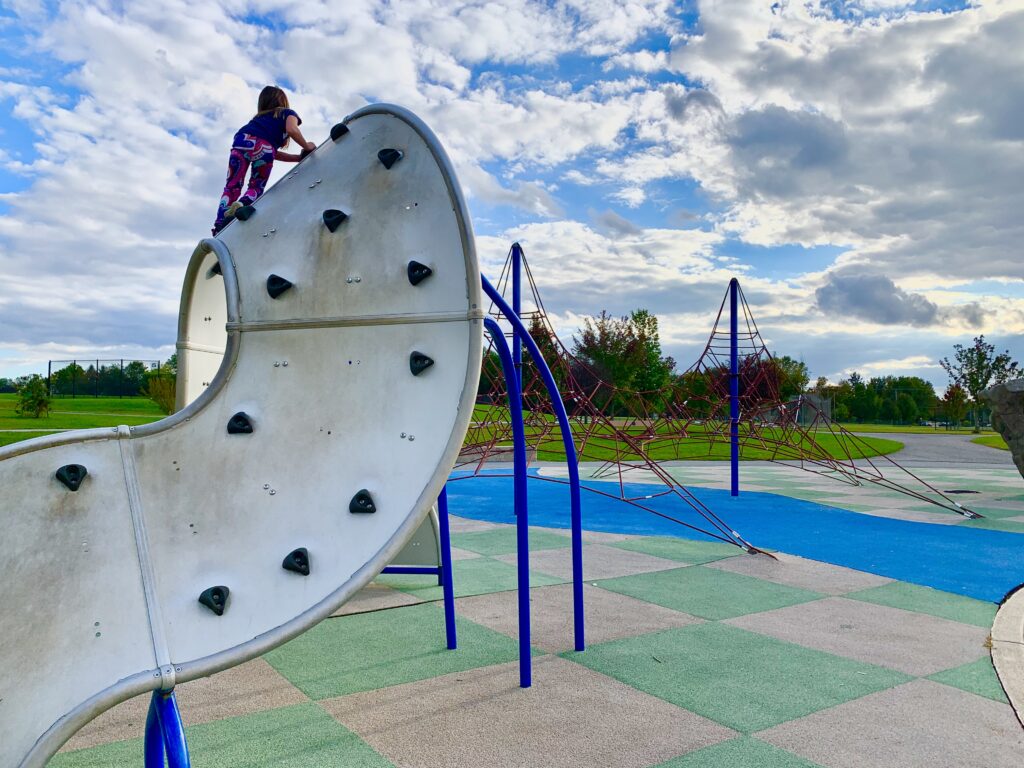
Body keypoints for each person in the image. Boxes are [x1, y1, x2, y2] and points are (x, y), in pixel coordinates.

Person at [212, 85, 316, 235]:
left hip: (241, 139)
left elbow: (271, 152)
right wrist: (307, 146)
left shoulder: (257, 120)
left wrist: (296, 158)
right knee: (256, 186)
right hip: (264, 147)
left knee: (232, 186)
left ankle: (219, 226)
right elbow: (291, 130)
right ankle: (241, 205)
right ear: (283, 101)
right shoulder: (287, 113)